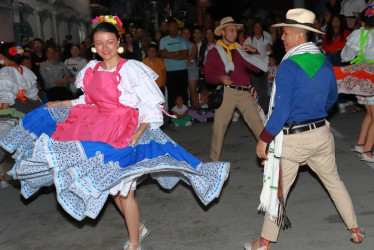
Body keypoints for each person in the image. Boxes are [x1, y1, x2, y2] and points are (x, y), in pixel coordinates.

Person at [0, 16, 229, 250]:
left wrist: (139, 134)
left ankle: (134, 243)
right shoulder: (91, 69)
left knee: (125, 191)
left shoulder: (132, 69)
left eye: (110, 42)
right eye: (99, 43)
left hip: (124, 131)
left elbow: (150, 105)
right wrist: (61, 104)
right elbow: (87, 100)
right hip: (96, 129)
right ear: (93, 46)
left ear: (118, 41)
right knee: (113, 189)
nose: (105, 48)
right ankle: (138, 226)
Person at [246, 8, 364, 250]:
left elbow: (281, 110)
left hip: (293, 140)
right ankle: (355, 229)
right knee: (335, 183)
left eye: (286, 32)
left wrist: (264, 138)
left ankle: (264, 243)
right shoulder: (322, 59)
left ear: (299, 35)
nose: (281, 37)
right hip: (321, 134)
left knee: (277, 191)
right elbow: (332, 98)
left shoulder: (289, 66)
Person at [204, 16, 269, 161]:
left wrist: (253, 51)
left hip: (244, 92)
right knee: (219, 128)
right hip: (226, 92)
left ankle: (269, 157)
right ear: (222, 32)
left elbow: (256, 68)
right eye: (231, 30)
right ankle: (214, 162)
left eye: (236, 31)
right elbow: (208, 74)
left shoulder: (240, 50)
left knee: (258, 124)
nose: (235, 33)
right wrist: (219, 78)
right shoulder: (214, 52)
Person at [334, 5, 374, 162]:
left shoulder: (358, 34)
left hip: (361, 77)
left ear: (362, 22)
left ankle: (360, 144)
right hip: (372, 77)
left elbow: (345, 56)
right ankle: (367, 152)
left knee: (370, 114)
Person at [0, 43, 41, 188]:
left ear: (2, 56)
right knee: (24, 145)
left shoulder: (5, 71)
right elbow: (33, 96)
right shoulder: (25, 70)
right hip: (29, 110)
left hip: (12, 112)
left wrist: (2, 114)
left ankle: (5, 178)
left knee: (4, 143)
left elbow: (6, 98)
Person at [159, 19, 189, 111]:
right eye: (172, 26)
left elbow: (185, 55)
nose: (174, 29)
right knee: (172, 93)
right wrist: (176, 53)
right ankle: (173, 115)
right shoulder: (163, 40)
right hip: (170, 70)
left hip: (182, 69)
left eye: (176, 27)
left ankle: (184, 114)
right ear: (168, 28)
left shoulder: (182, 40)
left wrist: (170, 55)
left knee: (183, 92)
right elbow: (163, 54)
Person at [181, 27, 199, 108]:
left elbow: (192, 56)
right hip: (181, 69)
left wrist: (183, 60)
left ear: (190, 35)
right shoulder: (178, 43)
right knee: (183, 92)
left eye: (187, 33)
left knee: (193, 92)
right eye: (184, 33)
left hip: (192, 70)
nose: (186, 35)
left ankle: (194, 109)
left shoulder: (193, 44)